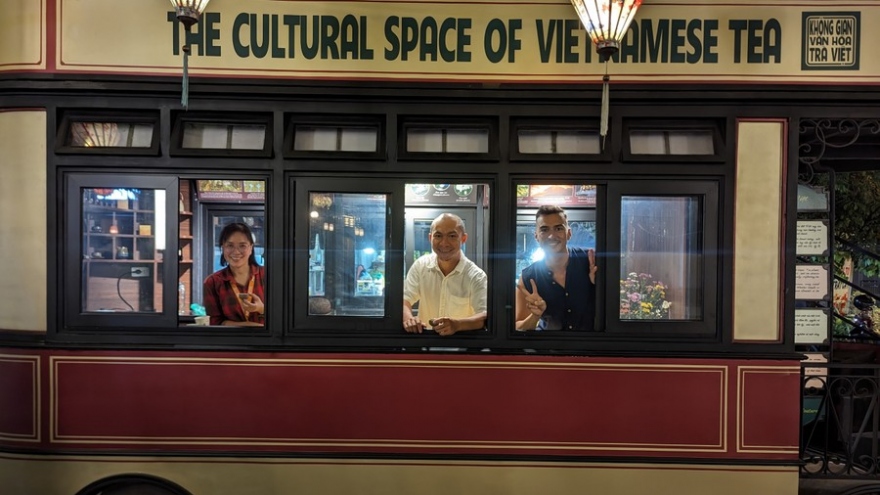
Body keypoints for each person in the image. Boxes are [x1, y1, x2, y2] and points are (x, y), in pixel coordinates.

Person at [403, 213, 487, 336]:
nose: (444, 243)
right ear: (430, 238)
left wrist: (457, 324)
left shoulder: (476, 276)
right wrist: (409, 319)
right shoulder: (420, 266)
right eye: (438, 236)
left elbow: (484, 316)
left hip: (462, 347)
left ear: (463, 239)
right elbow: (405, 299)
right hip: (424, 345)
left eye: (452, 236)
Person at [516, 205, 597, 331]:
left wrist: (598, 284)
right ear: (536, 236)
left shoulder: (591, 261)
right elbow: (518, 327)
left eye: (558, 228)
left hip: (590, 347)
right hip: (549, 349)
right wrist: (535, 315)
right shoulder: (528, 277)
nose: (551, 236)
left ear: (568, 233)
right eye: (544, 230)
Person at [203, 222, 266, 326]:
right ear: (223, 248)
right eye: (230, 245)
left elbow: (284, 316)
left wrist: (261, 309)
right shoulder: (212, 282)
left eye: (242, 246)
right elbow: (215, 322)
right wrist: (251, 326)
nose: (236, 252)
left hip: (268, 342)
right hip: (230, 341)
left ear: (251, 248)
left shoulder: (268, 276)